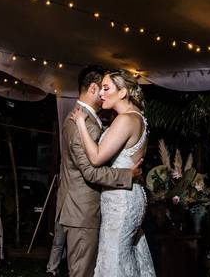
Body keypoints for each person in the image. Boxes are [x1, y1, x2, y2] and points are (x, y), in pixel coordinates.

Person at [55, 66, 141, 277]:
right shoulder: (78, 122)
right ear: (93, 88)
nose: (103, 94)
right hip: (82, 212)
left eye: (107, 88)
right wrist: (127, 175)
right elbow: (90, 172)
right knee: (82, 272)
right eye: (101, 88)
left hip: (88, 211)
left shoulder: (88, 119)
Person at [70, 69, 156, 277]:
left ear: (123, 92)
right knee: (127, 256)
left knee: (114, 258)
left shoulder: (125, 120)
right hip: (129, 196)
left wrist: (81, 123)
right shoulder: (138, 118)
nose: (101, 93)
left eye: (107, 88)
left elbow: (97, 158)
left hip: (121, 203)